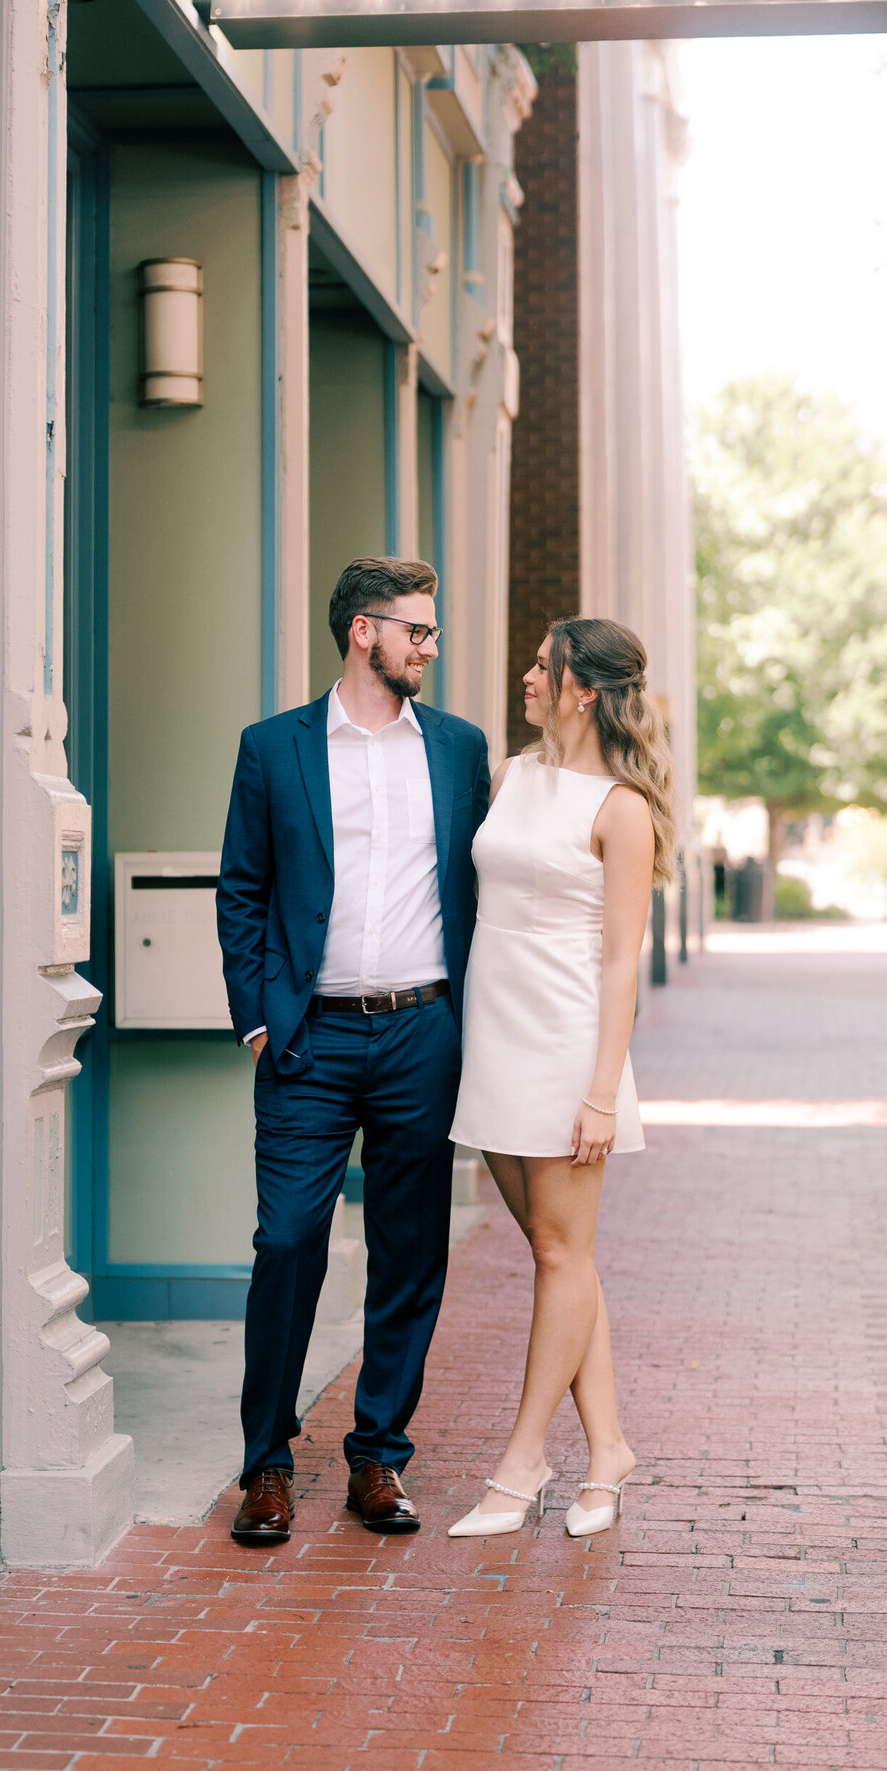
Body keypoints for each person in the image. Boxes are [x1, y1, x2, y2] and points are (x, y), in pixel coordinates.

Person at [216, 556, 490, 1546]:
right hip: (311, 1036)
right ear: (362, 631)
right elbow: (241, 886)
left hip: (423, 1029)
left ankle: (379, 1455)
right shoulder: (274, 747)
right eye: (417, 629)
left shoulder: (460, 751)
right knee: (286, 1241)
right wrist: (257, 1017)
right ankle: (266, 1464)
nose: (429, 645)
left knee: (408, 1249)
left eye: (432, 631)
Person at [447, 617, 675, 1540]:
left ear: (585, 690)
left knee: (557, 1253)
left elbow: (622, 962)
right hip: (494, 1035)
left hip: (571, 1046)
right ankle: (610, 1447)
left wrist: (600, 1092)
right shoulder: (510, 775)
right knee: (560, 1253)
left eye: (546, 667)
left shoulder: (622, 808)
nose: (528, 675)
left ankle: (525, 1460)